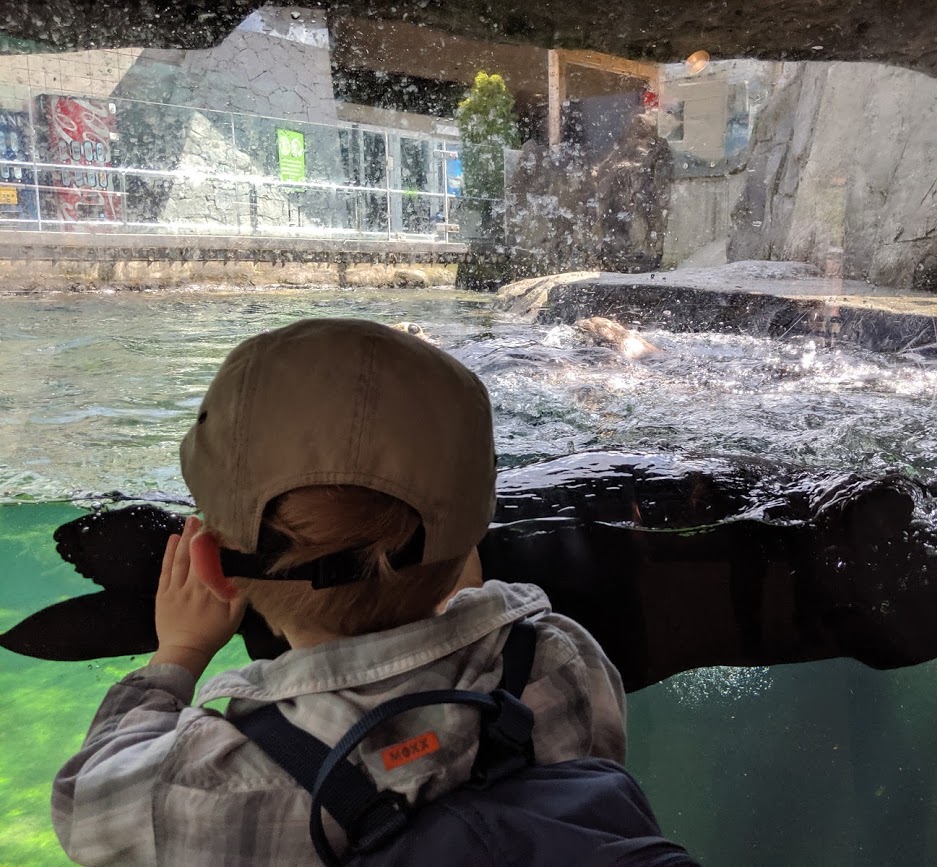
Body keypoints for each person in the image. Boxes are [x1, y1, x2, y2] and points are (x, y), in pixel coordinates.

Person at [51, 317, 668, 865]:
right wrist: (465, 603)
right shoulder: (560, 659)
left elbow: (86, 805)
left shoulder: (207, 782)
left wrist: (177, 657)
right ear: (470, 539)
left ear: (210, 566)